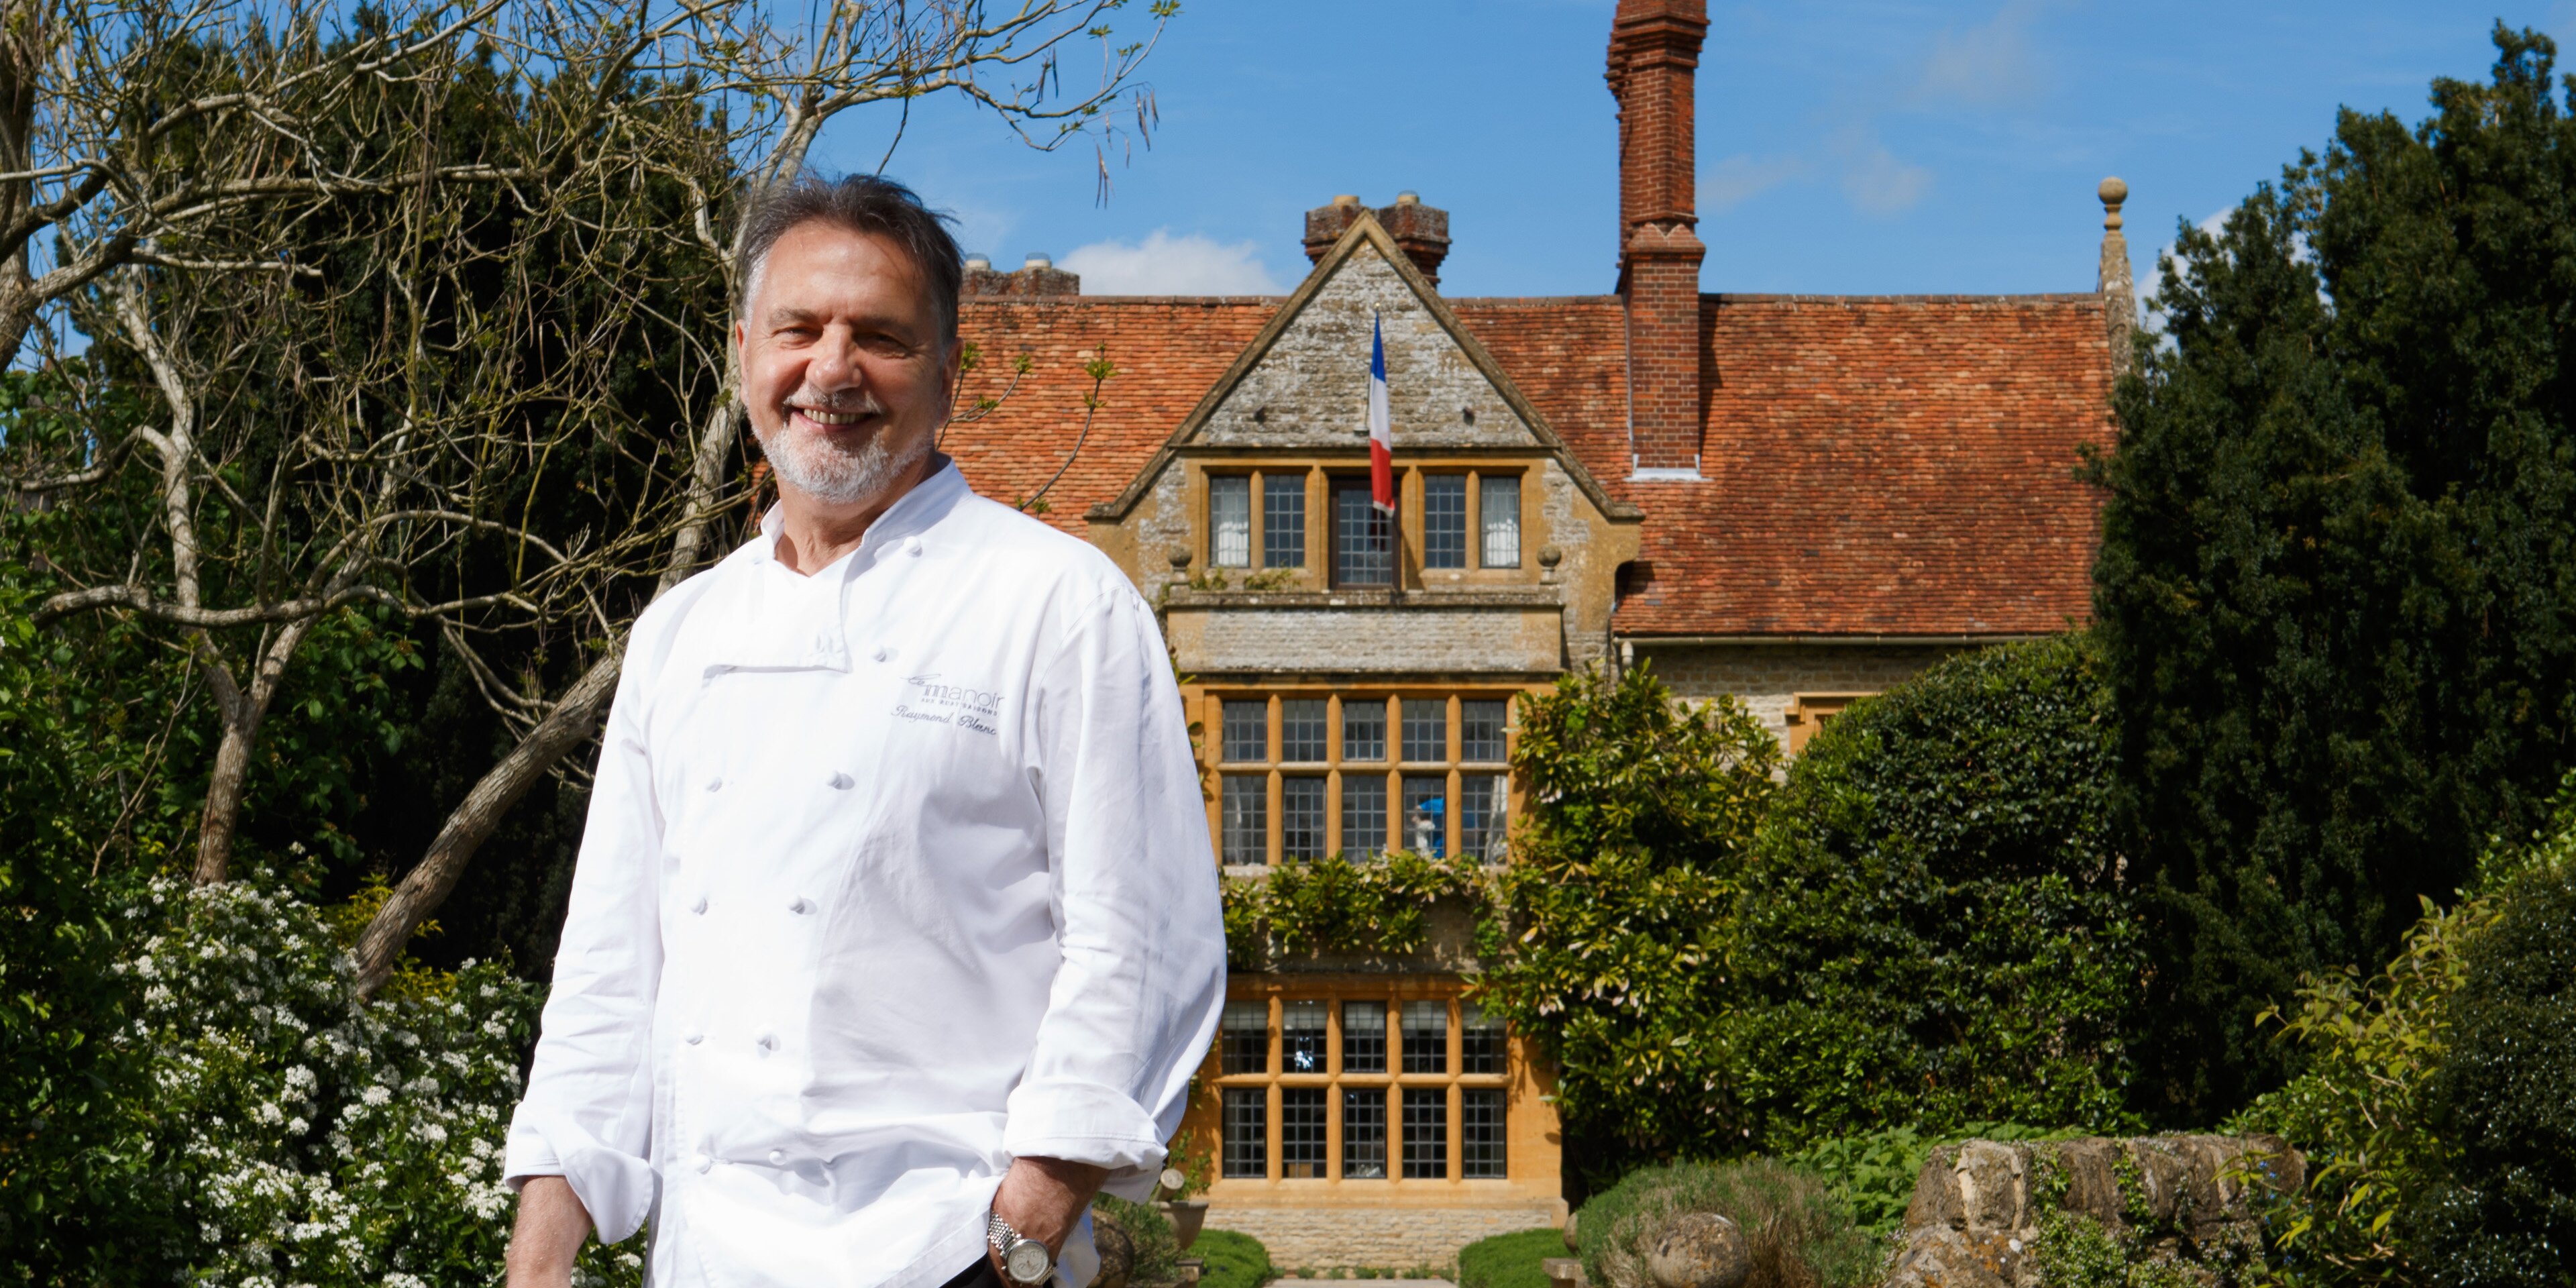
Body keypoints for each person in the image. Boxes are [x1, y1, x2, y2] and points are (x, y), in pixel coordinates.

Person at [498, 173, 1226, 1288]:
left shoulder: (1057, 605)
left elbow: (1143, 946)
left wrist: (1018, 1239)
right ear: (747, 350)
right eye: (800, 329)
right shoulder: (680, 634)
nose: (831, 370)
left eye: (880, 337)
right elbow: (609, 975)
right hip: (706, 1256)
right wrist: (541, 1261)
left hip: (946, 1253)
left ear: (948, 373)